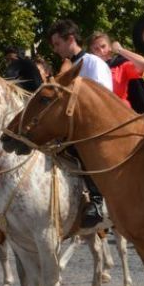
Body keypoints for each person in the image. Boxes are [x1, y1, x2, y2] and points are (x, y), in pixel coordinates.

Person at [49, 18, 113, 227]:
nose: (56, 49)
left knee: (79, 149)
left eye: (57, 44)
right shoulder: (68, 68)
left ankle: (96, 200)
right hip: (72, 127)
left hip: (95, 127)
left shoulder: (94, 63)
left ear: (70, 39)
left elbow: (103, 97)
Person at [87, 31, 144, 111]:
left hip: (123, 112)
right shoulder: (90, 70)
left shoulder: (120, 65)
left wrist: (120, 50)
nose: (101, 51)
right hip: (102, 113)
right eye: (96, 49)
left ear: (110, 47)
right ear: (92, 52)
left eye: (103, 46)